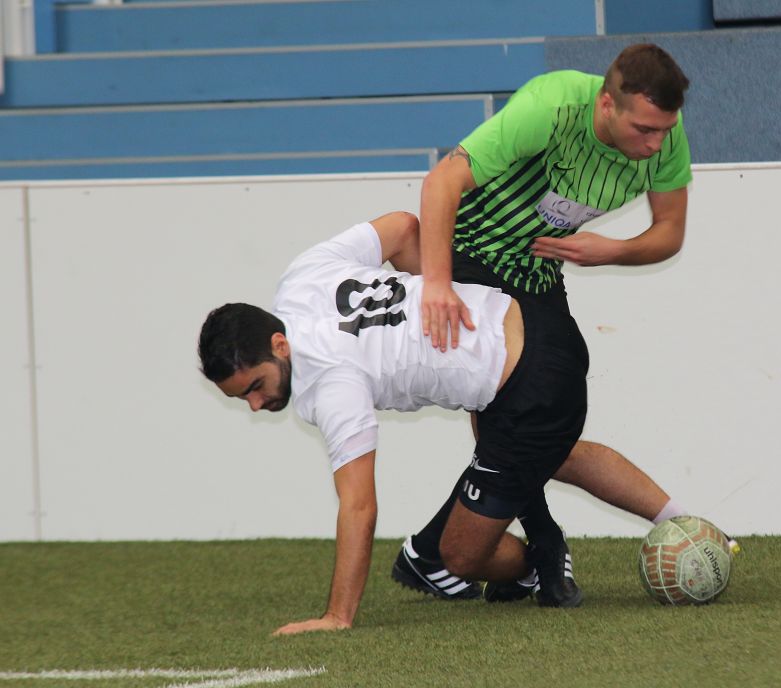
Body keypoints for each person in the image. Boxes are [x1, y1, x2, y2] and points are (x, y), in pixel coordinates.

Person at [198, 212, 688, 635]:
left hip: (529, 390)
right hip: (530, 313)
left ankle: (538, 561)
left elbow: (359, 507)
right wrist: (437, 297)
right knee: (546, 452)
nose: (255, 405)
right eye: (242, 398)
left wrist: (337, 616)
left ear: (280, 345)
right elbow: (402, 227)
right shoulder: (301, 277)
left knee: (458, 555)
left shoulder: (330, 385)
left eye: (255, 386)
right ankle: (684, 522)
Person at [409, 43, 702, 599]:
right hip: (474, 254)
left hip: (537, 270)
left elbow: (670, 232)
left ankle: (439, 551)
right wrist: (438, 285)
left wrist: (611, 250)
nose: (656, 144)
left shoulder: (665, 134)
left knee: (548, 422)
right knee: (528, 412)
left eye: (664, 130)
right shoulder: (551, 106)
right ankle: (540, 545)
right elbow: (442, 181)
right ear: (606, 104)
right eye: (644, 129)